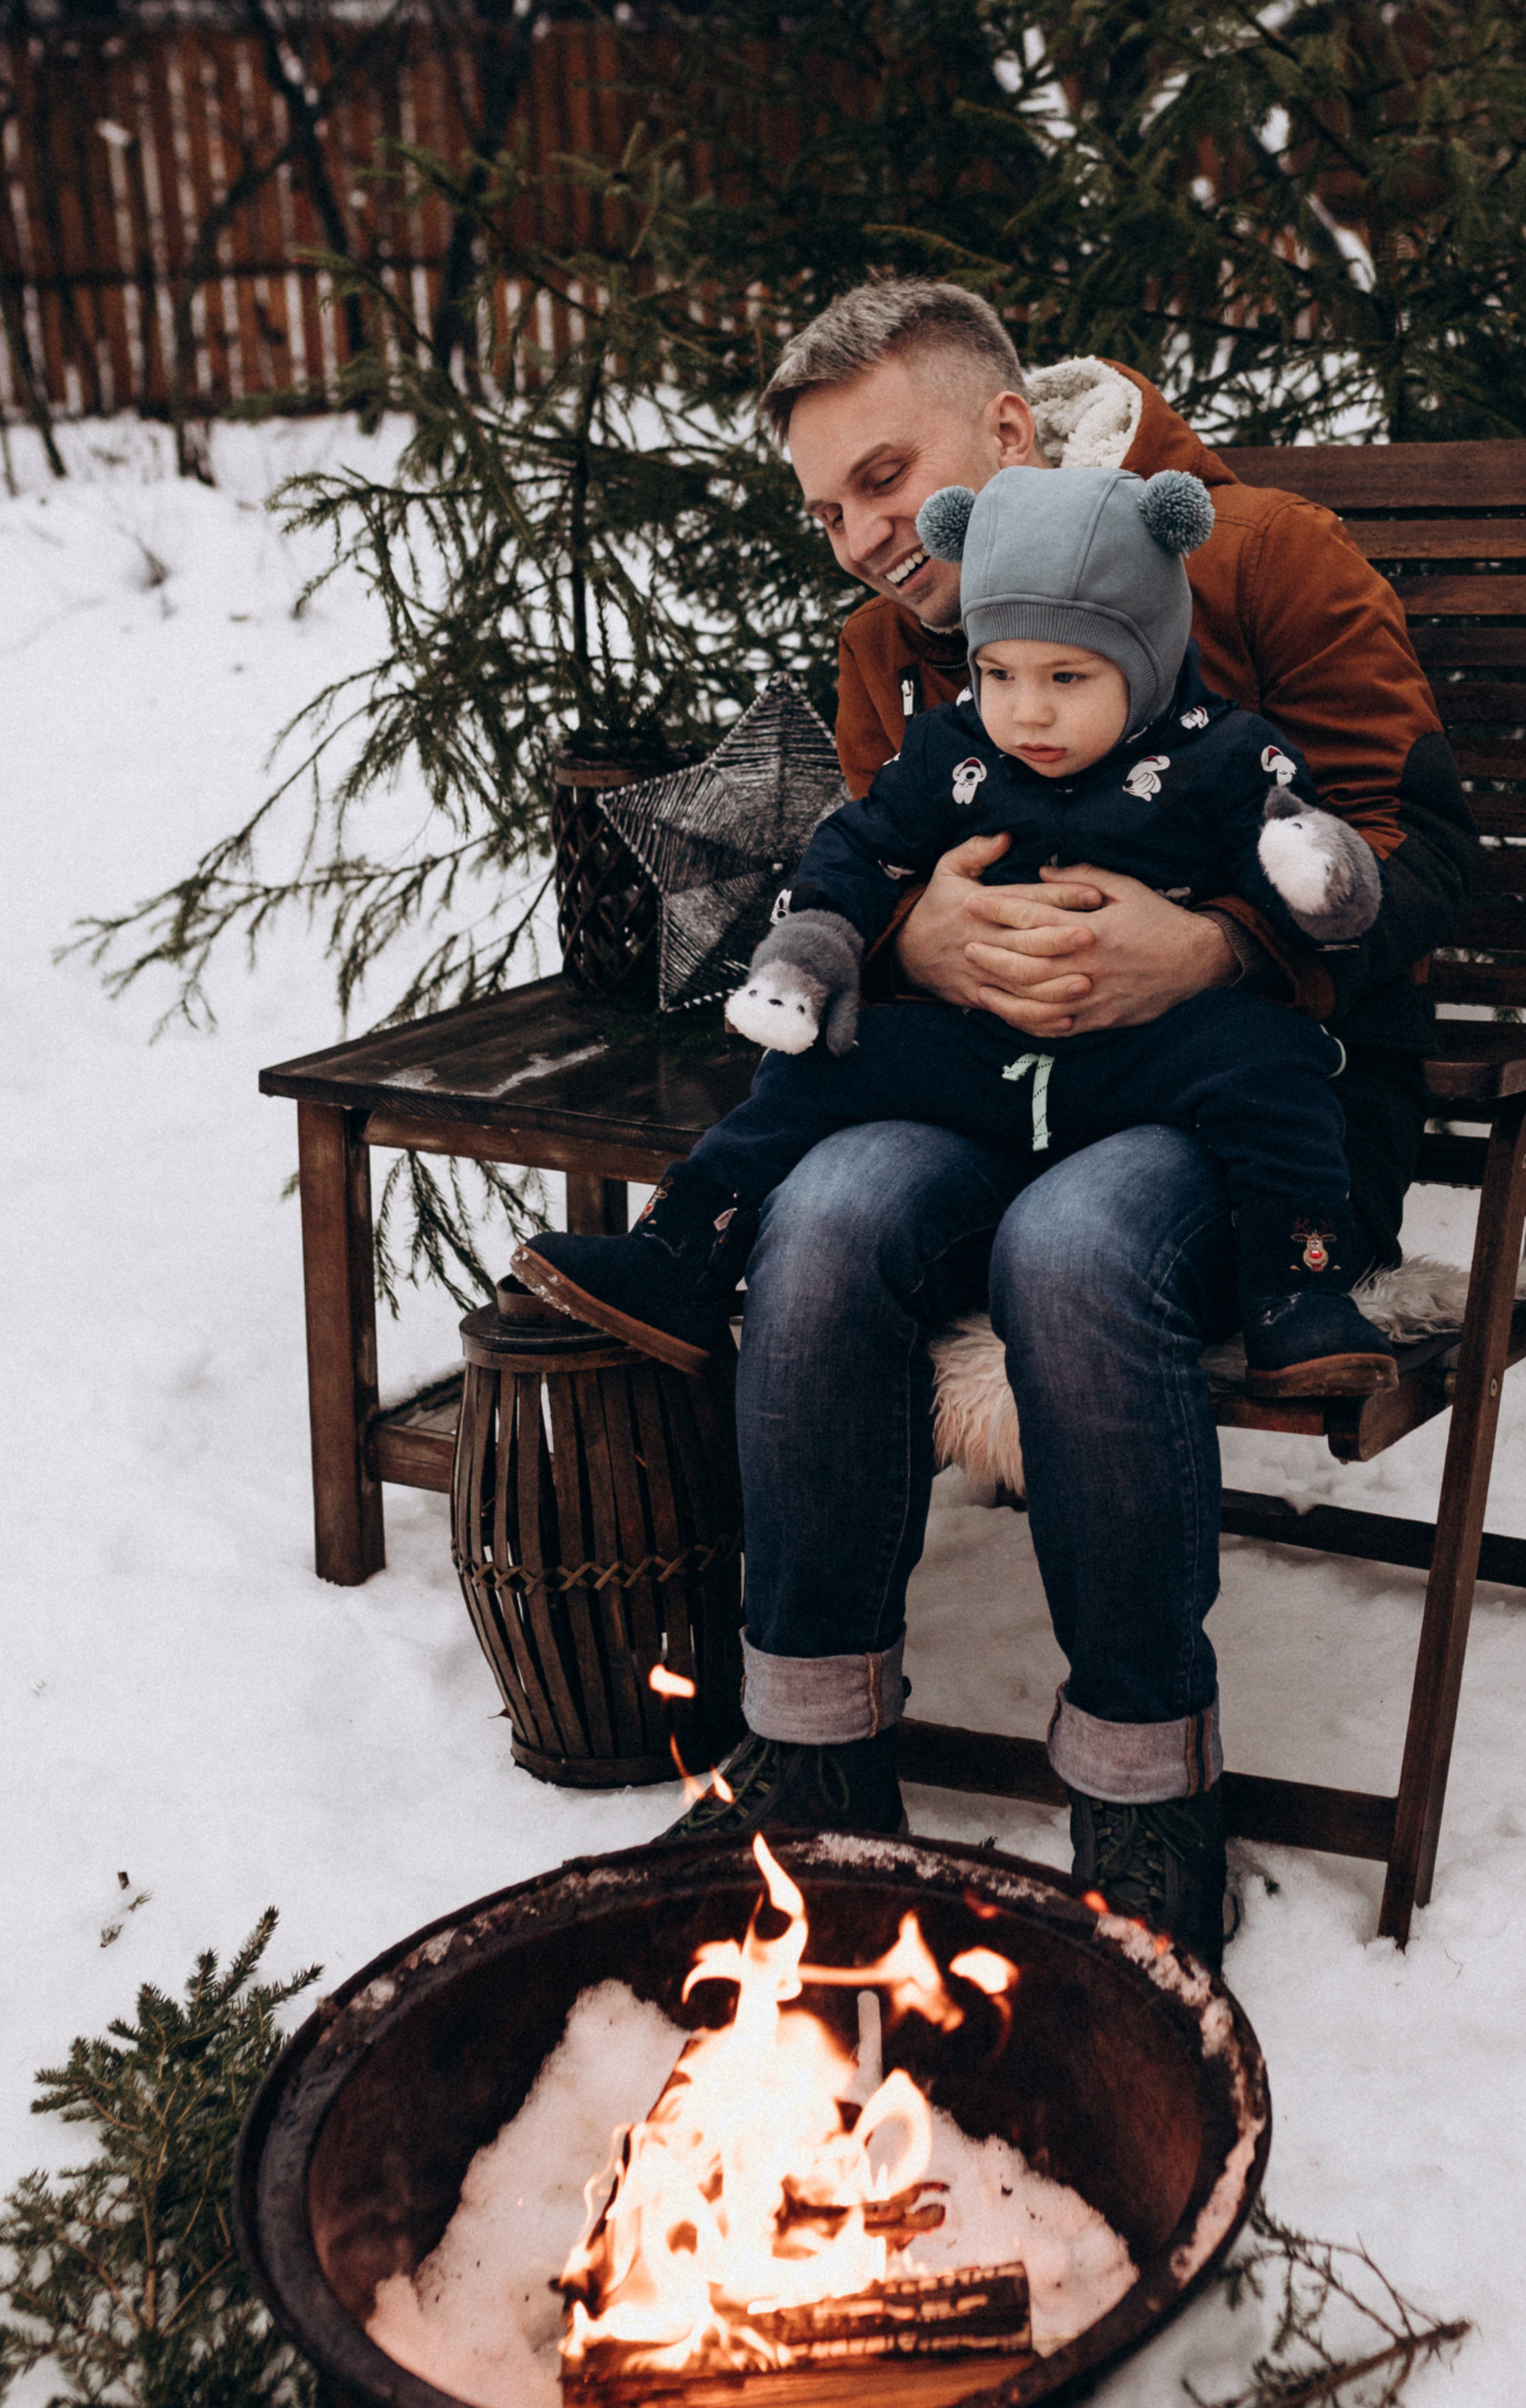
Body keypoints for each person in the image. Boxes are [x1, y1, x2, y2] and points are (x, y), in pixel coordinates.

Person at [565, 282, 1476, 1970]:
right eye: (824, 510)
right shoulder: (886, 654)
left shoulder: (1265, 556)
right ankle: (815, 1757)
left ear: (1005, 434)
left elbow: (1413, 863)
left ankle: (1142, 1785)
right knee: (826, 1219)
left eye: (882, 479)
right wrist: (903, 940)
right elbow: (859, 886)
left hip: (1247, 1107)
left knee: (1069, 1247)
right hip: (982, 1085)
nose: (855, 540)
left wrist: (1214, 943)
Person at [515, 460, 1398, 1410]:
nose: (1029, 710)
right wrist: (819, 947)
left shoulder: (1219, 750)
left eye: (1069, 676)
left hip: (1150, 1056)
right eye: (998, 671)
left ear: (1145, 657)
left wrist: (1314, 872)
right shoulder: (952, 747)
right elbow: (861, 844)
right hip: (978, 1053)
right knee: (817, 1064)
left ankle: (1296, 1289)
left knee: (1273, 1057)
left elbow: (1295, 837)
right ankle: (679, 1254)